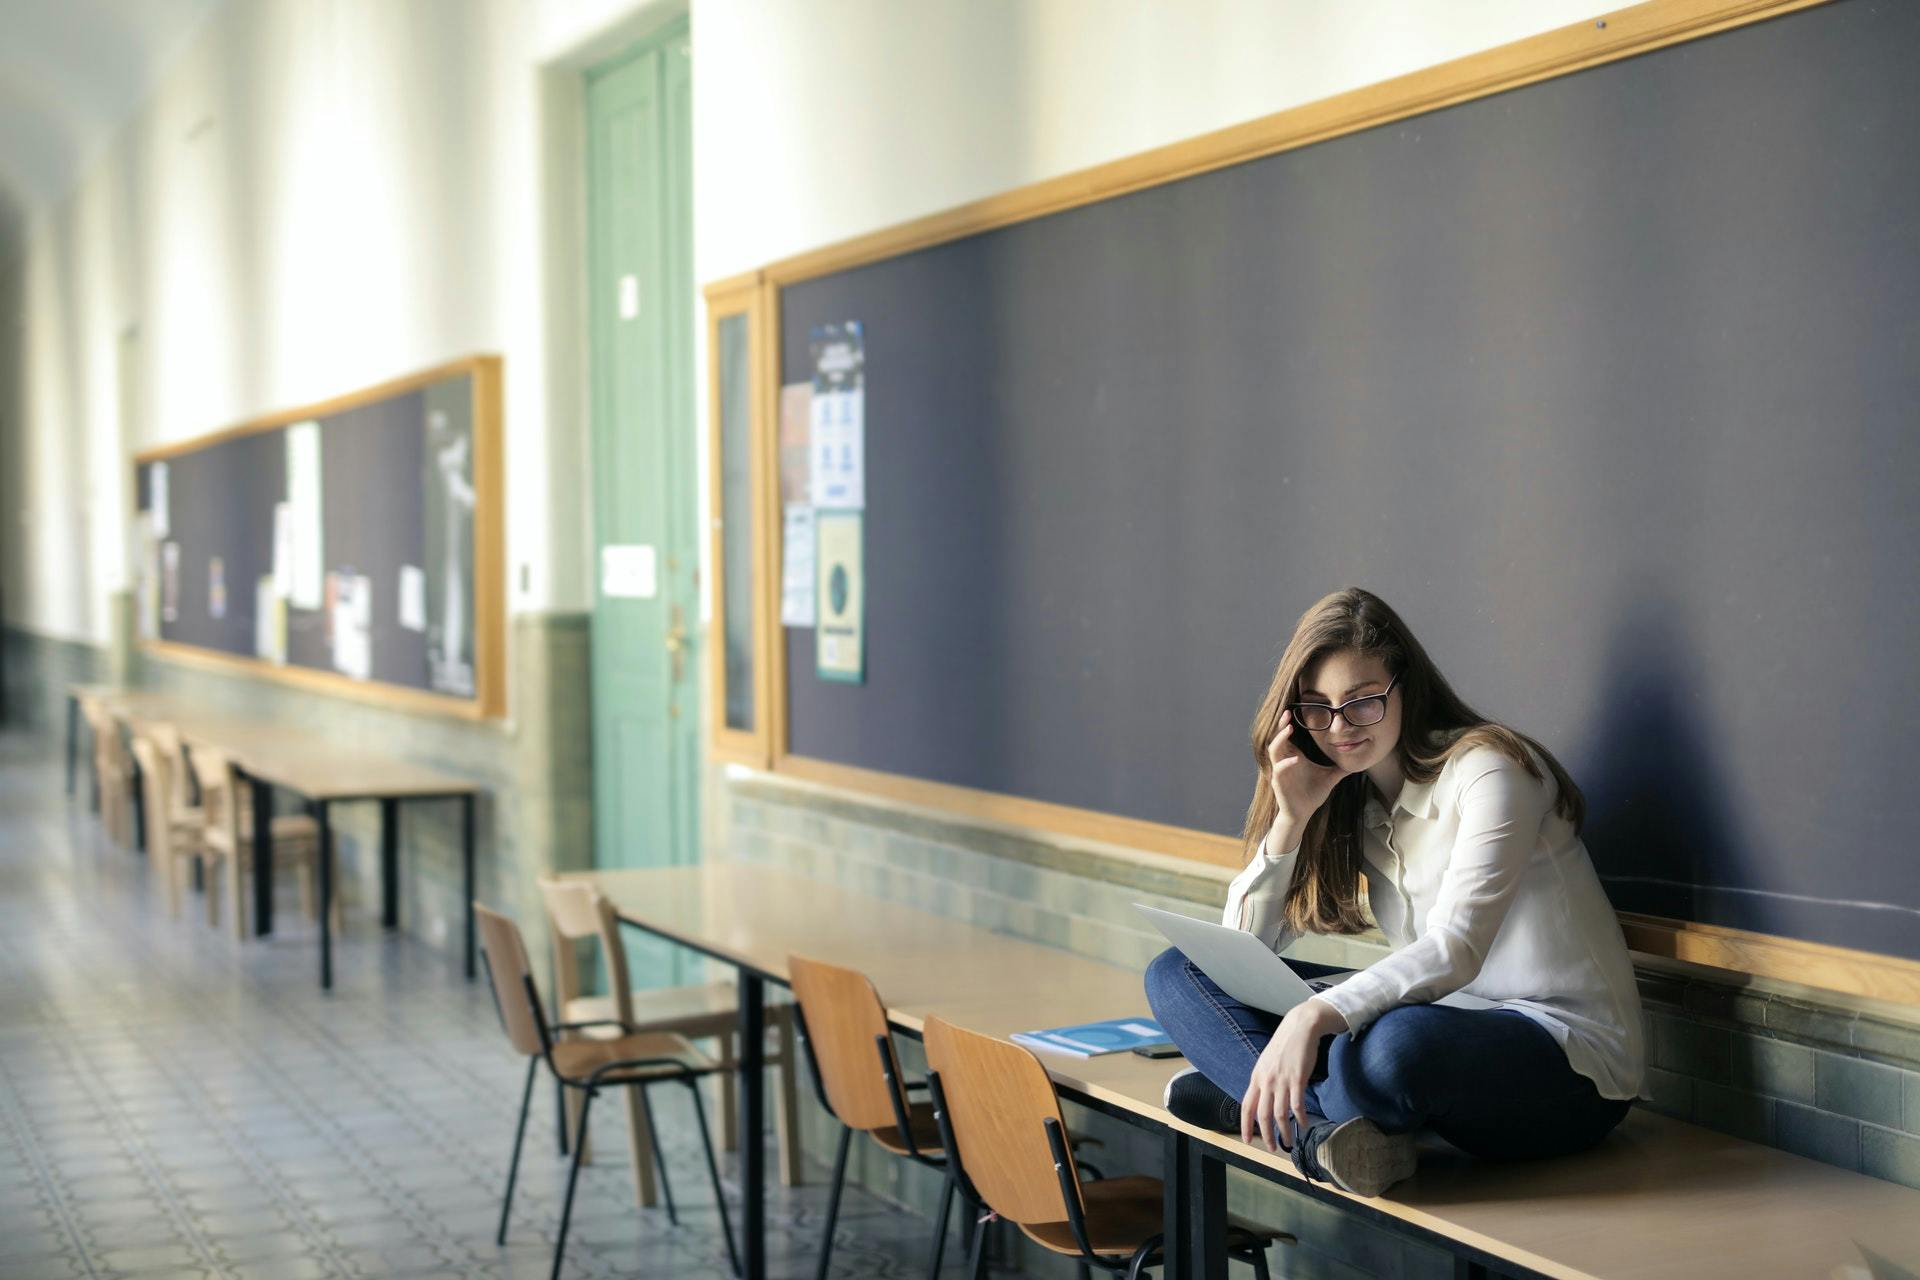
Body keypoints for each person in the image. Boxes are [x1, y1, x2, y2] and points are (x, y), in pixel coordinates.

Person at [1144, 587, 1643, 1197]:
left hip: (1568, 1066)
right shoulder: (1352, 798)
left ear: (1406, 686)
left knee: (1391, 1050)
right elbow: (1241, 954)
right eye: (1317, 708)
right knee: (1178, 972)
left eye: (1362, 702)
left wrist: (1310, 1017)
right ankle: (1320, 1133)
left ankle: (1248, 1101)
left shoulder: (1490, 770)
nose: (1339, 728)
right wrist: (1289, 821)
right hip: (1444, 1029)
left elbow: (1457, 948)